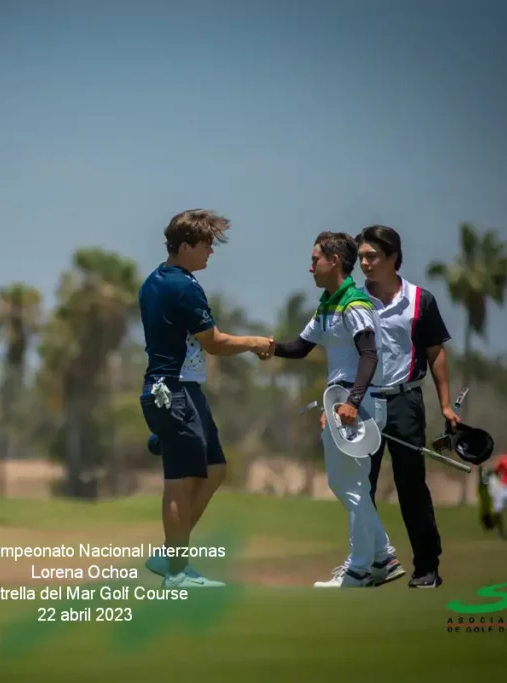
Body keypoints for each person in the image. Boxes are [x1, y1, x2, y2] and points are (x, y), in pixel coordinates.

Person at [138, 209, 273, 589]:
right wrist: (256, 342)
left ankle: (169, 554)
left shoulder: (156, 280)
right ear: (185, 246)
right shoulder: (183, 286)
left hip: (183, 390)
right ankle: (176, 572)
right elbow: (214, 342)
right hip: (173, 390)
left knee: (214, 469)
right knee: (179, 482)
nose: (211, 251)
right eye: (206, 244)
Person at [260, 231, 400, 588]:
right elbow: (300, 347)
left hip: (357, 403)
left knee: (350, 484)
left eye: (315, 260)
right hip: (342, 403)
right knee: (346, 482)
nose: (310, 267)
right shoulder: (328, 304)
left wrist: (352, 402)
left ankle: (360, 568)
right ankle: (382, 557)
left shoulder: (354, 303)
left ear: (334, 261)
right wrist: (265, 345)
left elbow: (369, 355)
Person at [354, 225, 459, 588]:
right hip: (363, 403)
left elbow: (436, 353)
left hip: (405, 401)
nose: (364, 263)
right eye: (361, 257)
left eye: (372, 256)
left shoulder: (421, 300)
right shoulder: (353, 300)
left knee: (411, 486)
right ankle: (368, 563)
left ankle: (427, 568)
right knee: (360, 487)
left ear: (393, 256)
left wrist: (445, 405)